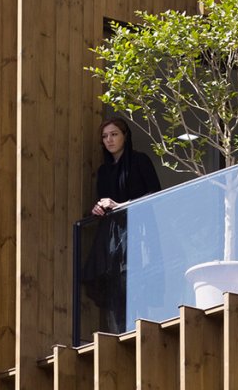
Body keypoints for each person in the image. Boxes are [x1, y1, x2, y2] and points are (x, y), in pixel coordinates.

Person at [82, 117, 161, 334]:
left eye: (114, 134)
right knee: (113, 284)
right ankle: (119, 335)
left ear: (125, 136)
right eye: (105, 136)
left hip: (138, 229)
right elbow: (105, 202)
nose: (109, 140)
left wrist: (120, 205)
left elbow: (155, 194)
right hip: (112, 235)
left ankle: (139, 333)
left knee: (136, 281)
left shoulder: (140, 161)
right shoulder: (103, 171)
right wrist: (98, 208)